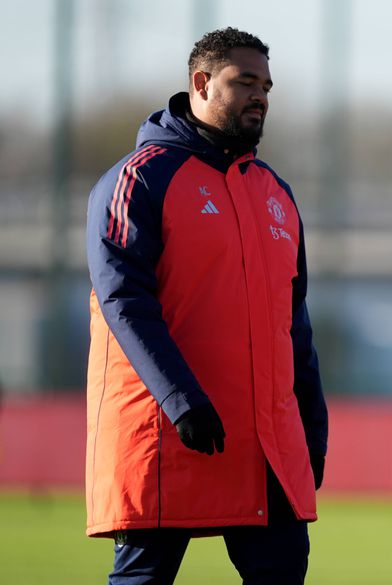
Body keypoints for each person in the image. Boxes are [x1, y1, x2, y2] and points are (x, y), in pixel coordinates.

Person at [85, 28, 327, 585]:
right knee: (143, 577)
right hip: (169, 430)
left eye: (266, 84)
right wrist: (181, 400)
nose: (260, 95)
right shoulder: (138, 179)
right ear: (200, 84)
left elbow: (294, 325)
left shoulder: (276, 193)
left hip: (265, 446)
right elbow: (125, 301)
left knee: (284, 571)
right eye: (245, 81)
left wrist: (311, 426)